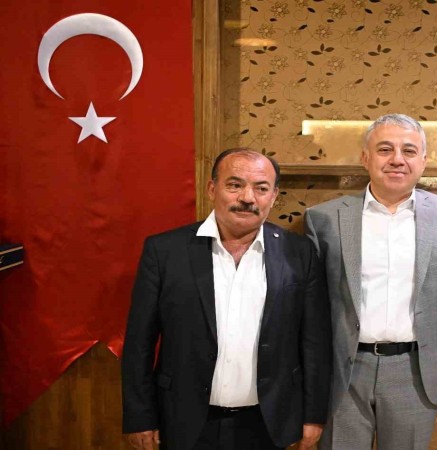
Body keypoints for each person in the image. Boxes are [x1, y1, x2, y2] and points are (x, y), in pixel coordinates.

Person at [121, 149, 332, 450]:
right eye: (235, 185)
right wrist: (140, 416)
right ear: (212, 189)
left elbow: (314, 343)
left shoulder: (299, 253)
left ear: (274, 196)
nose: (247, 197)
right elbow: (139, 342)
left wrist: (313, 415)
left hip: (269, 423)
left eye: (261, 188)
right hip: (183, 420)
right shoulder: (164, 251)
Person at [304, 114, 437, 450]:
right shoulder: (323, 219)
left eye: (409, 150)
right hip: (344, 370)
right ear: (365, 158)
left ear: (424, 160)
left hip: (416, 371)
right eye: (385, 149)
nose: (397, 159)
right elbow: (310, 308)